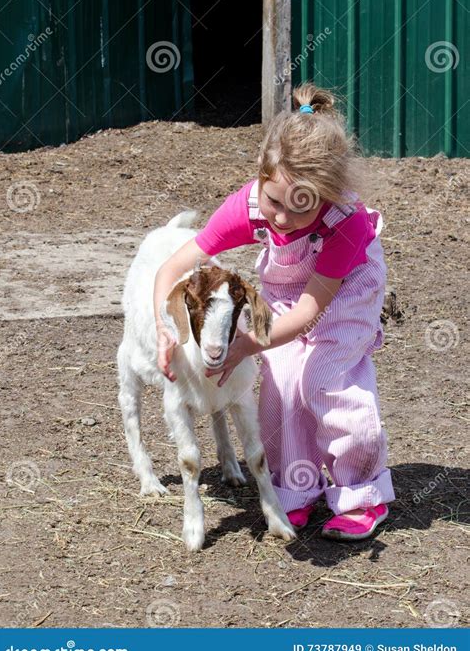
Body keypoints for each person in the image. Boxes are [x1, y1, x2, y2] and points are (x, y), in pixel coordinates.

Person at [154, 82, 395, 541]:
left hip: (344, 293)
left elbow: (308, 313)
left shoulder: (346, 222)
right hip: (286, 290)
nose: (281, 218)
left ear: (327, 194)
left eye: (299, 208)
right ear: (261, 179)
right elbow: (172, 268)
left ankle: (362, 490)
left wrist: (245, 344)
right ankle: (296, 487)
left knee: (324, 377)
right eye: (273, 202)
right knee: (280, 384)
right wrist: (166, 328)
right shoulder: (247, 206)